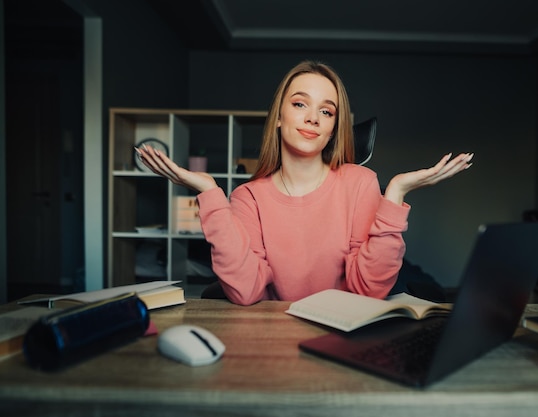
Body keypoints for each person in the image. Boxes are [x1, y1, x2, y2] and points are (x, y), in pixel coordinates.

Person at [136, 60, 473, 305]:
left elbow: (369, 291)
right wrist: (210, 193)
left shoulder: (361, 183)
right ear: (280, 118)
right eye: (300, 104)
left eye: (327, 112)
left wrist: (395, 194)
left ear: (332, 129)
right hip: (274, 342)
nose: (313, 117)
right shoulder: (247, 198)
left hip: (345, 338)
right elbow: (247, 291)